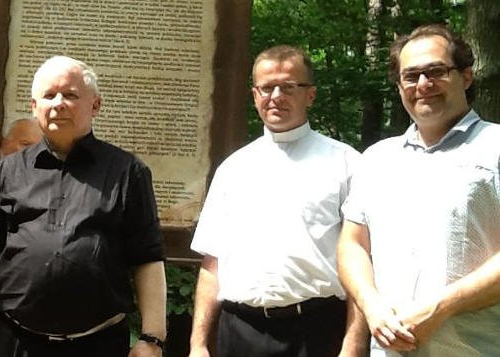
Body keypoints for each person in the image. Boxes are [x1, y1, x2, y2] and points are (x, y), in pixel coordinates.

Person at [0, 55, 167, 357]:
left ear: (95, 105)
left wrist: (152, 338)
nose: (58, 103)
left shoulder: (128, 173)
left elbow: (147, 258)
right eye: (49, 95)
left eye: (70, 95)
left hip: (99, 345)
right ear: (34, 106)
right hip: (17, 342)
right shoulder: (4, 174)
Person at [189, 45, 367, 357]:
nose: (276, 97)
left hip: (317, 332)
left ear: (310, 94)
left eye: (288, 87)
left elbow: (363, 261)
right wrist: (198, 344)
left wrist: (352, 345)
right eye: (267, 87)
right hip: (240, 331)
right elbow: (212, 264)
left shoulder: (346, 163)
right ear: (254, 94)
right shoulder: (233, 168)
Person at [337, 24, 500, 356]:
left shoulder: (495, 146)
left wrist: (440, 307)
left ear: (466, 77)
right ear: (399, 87)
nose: (423, 85)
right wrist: (371, 305)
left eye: (436, 71)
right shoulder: (377, 158)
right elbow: (352, 245)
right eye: (410, 76)